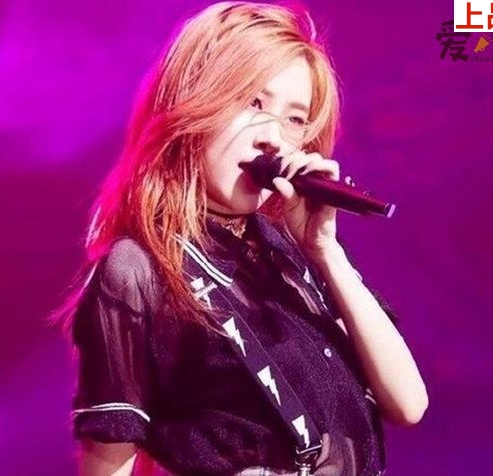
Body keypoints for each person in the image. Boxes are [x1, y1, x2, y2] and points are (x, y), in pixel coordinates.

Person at [60, 2, 428, 475]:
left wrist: (327, 253)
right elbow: (108, 463)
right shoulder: (137, 271)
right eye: (253, 103)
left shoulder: (297, 256)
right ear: (195, 100)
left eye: (295, 120)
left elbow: (408, 403)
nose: (273, 137)